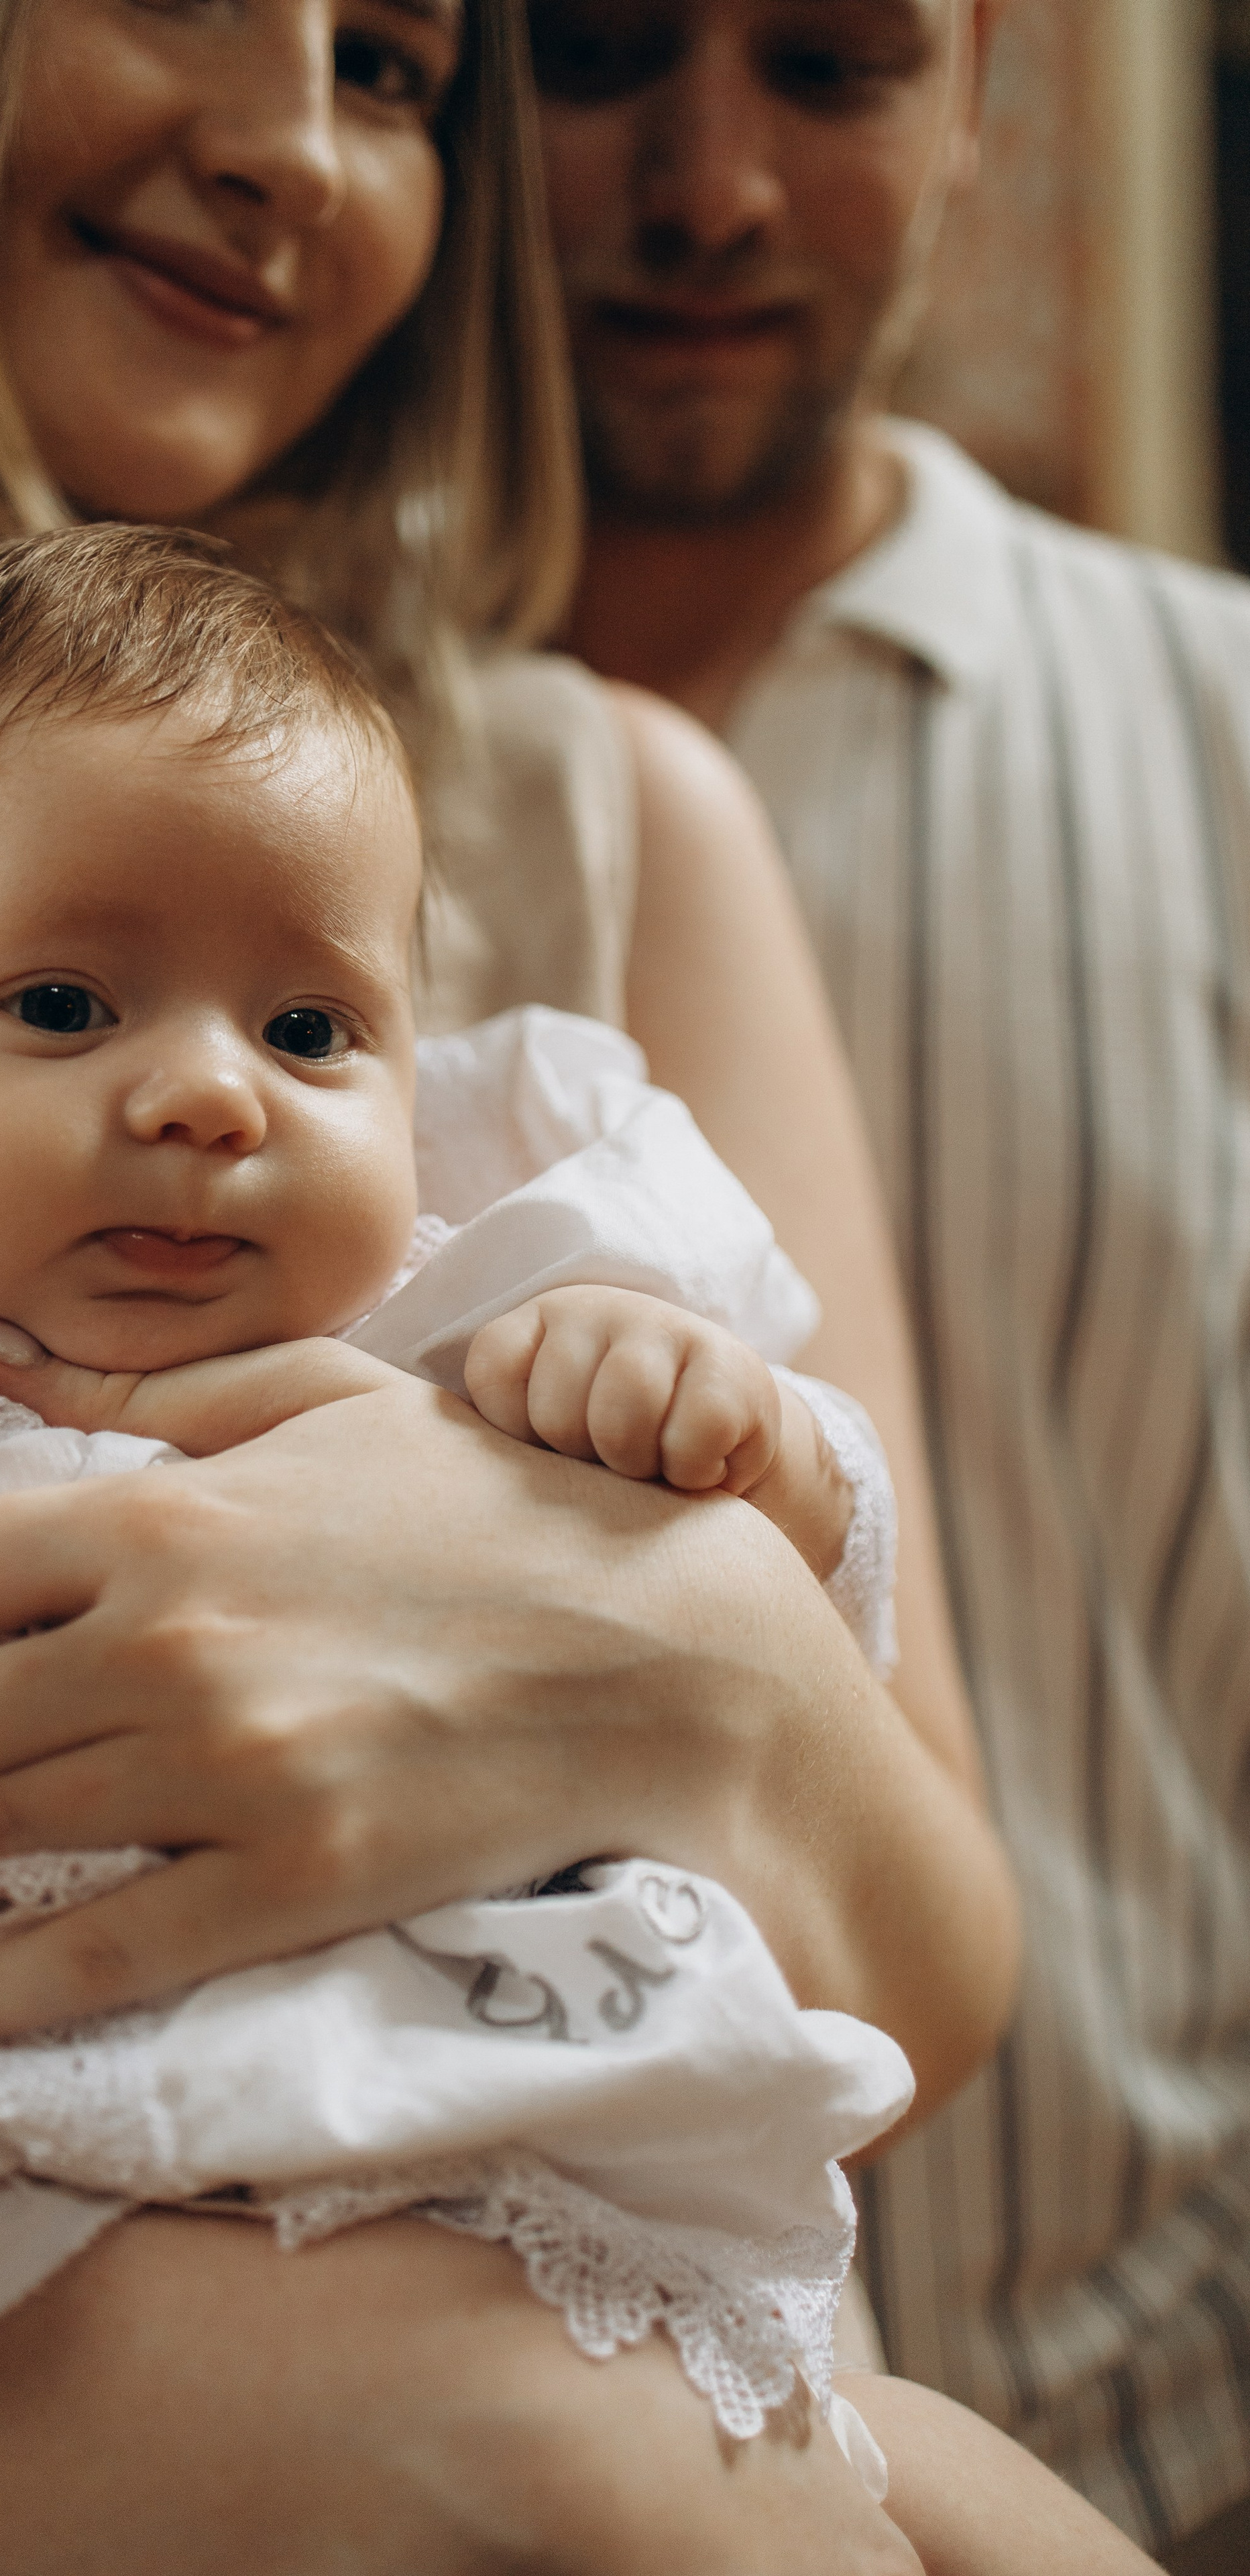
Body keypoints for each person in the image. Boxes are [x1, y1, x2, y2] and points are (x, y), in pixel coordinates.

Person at [0, 3, 1011, 2569]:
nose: (290, 153)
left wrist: (706, 1613)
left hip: (715, 2376)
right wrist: (452, 2450)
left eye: (402, 66)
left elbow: (932, 1977)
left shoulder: (594, 816)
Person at [534, 1, 1250, 2567]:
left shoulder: (1220, 743)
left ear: (978, 104)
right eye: (599, 52)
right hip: (555, 2483)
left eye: (829, 67)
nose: (708, 187)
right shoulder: (222, 810)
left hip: (1177, 2424)